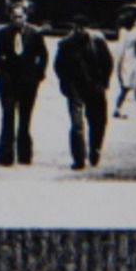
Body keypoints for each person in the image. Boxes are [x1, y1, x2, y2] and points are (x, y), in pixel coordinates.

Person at [0, 0, 48, 166]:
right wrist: (2, 74)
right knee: (8, 118)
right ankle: (5, 156)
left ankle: (24, 154)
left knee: (25, 119)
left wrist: (38, 74)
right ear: (10, 17)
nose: (18, 20)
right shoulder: (3, 34)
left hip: (28, 83)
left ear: (26, 17)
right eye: (15, 17)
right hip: (8, 83)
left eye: (21, 17)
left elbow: (43, 56)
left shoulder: (35, 34)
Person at [53, 16, 114, 170]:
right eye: (78, 27)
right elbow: (59, 67)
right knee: (77, 125)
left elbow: (108, 63)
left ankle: (95, 149)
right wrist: (66, 85)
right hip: (75, 89)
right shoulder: (66, 44)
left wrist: (104, 83)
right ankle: (79, 159)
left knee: (98, 122)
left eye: (84, 27)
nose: (81, 30)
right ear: (74, 27)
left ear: (89, 27)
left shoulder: (98, 42)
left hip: (95, 88)